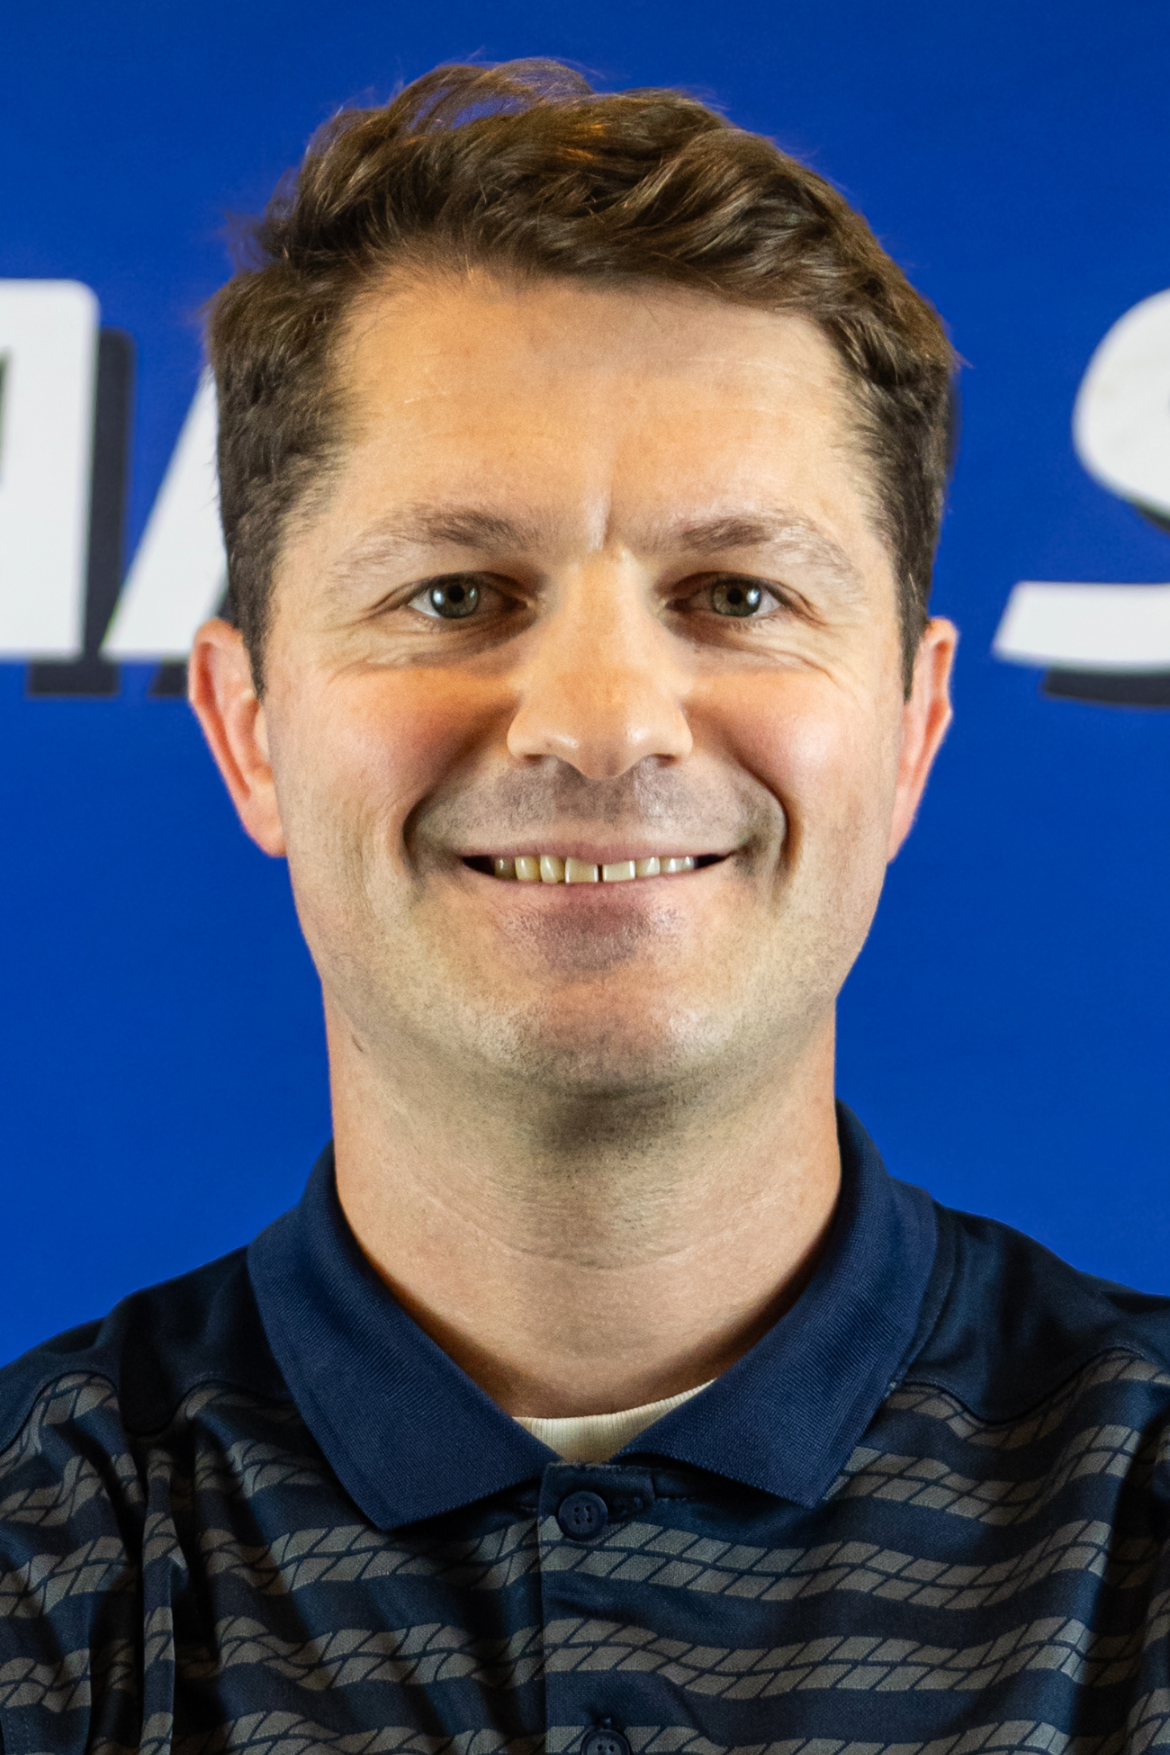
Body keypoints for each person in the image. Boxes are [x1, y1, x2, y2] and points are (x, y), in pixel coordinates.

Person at [1, 58, 1167, 1755]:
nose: (605, 721)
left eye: (736, 593)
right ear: (248, 729)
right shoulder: (38, 1548)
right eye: (453, 593)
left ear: (912, 731)